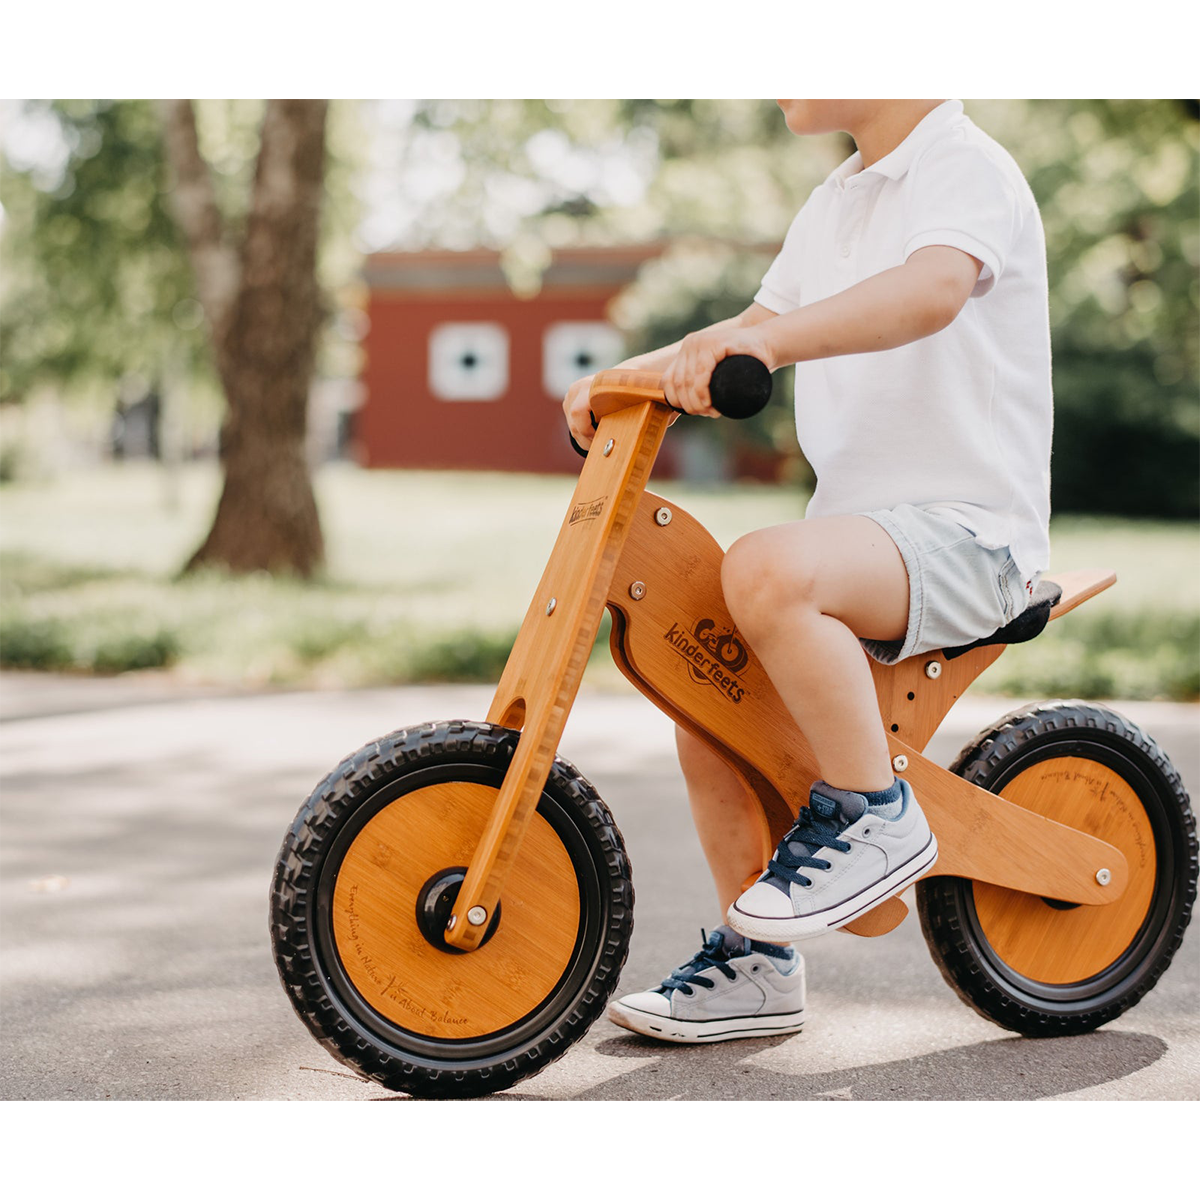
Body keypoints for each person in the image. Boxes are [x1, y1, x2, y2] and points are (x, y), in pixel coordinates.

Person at [562, 99, 1053, 1044]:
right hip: (866, 544)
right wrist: (623, 379)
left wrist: (769, 347)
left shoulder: (963, 165)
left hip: (972, 539)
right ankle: (755, 964)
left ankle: (876, 815)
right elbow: (752, 325)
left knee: (763, 570)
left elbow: (929, 291)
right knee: (702, 679)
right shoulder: (835, 201)